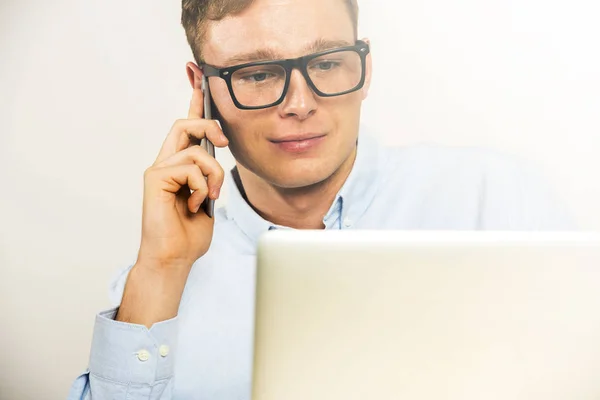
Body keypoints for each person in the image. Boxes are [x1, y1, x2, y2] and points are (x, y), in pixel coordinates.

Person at [67, 0, 573, 398]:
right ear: (202, 90)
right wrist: (161, 268)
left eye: (328, 62)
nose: (300, 104)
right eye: (257, 74)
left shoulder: (502, 200)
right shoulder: (156, 290)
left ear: (365, 68)